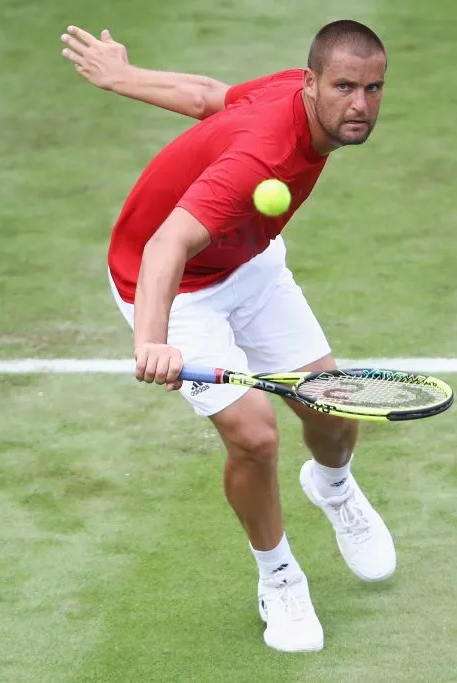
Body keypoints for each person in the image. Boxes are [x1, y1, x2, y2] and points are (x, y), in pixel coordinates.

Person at [60, 19, 393, 653]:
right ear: (311, 83)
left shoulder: (284, 94)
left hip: (249, 264)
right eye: (345, 87)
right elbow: (166, 246)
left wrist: (124, 76)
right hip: (172, 285)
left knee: (332, 408)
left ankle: (334, 488)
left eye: (373, 88)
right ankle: (280, 578)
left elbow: (211, 95)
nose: (359, 105)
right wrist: (151, 341)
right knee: (254, 433)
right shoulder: (261, 159)